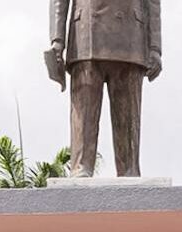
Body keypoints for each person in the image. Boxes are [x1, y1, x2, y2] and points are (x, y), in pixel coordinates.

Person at [48, 0, 162, 177]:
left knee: (128, 119)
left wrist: (155, 47)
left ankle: (129, 171)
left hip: (130, 36)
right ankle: (81, 167)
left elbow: (153, 2)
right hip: (85, 35)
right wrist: (57, 40)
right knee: (84, 115)